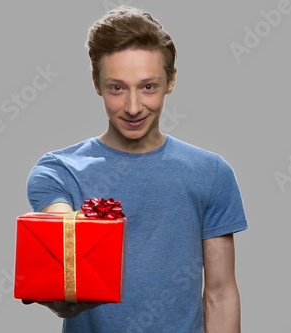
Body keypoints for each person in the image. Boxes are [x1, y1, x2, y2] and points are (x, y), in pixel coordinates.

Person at [23, 6, 248, 333]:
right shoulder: (59, 170)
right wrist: (61, 287)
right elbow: (62, 228)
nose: (132, 107)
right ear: (96, 83)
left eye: (148, 87)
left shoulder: (210, 172)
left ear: (171, 81)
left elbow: (220, 293)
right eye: (117, 87)